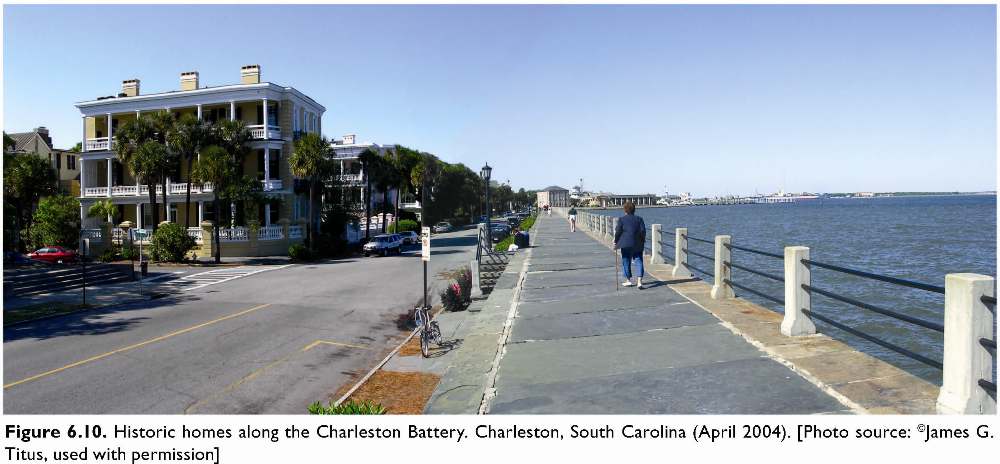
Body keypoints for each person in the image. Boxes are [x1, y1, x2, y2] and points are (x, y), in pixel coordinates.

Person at [613, 201, 647, 289]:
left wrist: (616, 241)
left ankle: (628, 281)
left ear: (625, 210)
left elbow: (618, 232)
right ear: (634, 210)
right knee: (639, 260)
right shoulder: (639, 219)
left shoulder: (622, 219)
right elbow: (643, 231)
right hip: (637, 243)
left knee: (626, 260)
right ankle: (639, 282)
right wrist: (642, 240)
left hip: (626, 243)